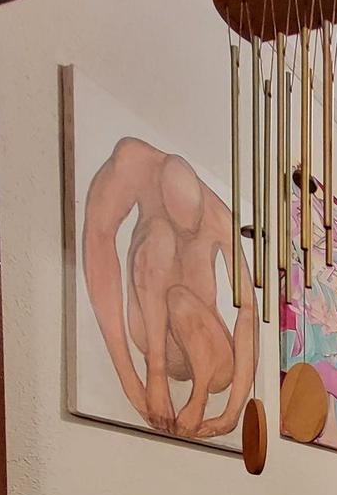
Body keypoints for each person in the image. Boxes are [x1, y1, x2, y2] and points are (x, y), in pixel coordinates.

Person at [82, 137, 255, 440]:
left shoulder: (220, 217)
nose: (188, 236)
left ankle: (198, 393)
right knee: (159, 238)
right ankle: (157, 368)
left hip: (209, 357)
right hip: (151, 339)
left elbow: (249, 310)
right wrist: (132, 381)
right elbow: (98, 239)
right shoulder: (132, 162)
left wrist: (232, 413)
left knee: (179, 299)